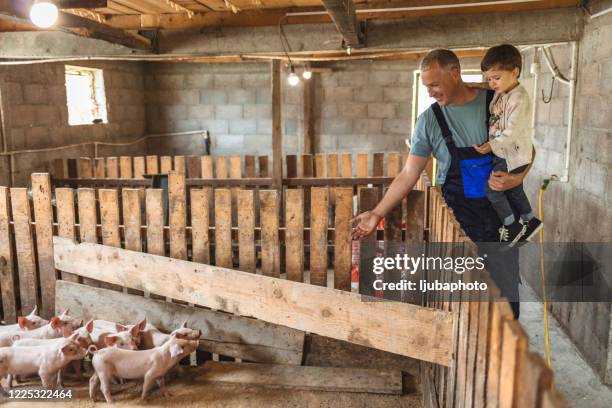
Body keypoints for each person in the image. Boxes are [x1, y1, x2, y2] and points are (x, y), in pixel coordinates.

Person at [351, 49, 533, 318]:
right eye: (426, 86)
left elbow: (526, 146)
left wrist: (519, 177)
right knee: (460, 297)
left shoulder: (496, 102)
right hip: (456, 220)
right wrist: (377, 213)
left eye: (435, 84)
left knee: (504, 296)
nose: (431, 92)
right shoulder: (429, 121)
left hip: (499, 219)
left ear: (455, 74)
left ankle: (501, 355)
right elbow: (409, 173)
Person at [474, 44, 542, 246]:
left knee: (492, 189)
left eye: (497, 77)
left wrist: (490, 145)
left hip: (513, 154)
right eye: (489, 78)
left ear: (515, 72)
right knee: (513, 190)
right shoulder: (503, 92)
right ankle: (530, 220)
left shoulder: (519, 98)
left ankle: (511, 225)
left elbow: (511, 131)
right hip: (507, 153)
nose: (492, 83)